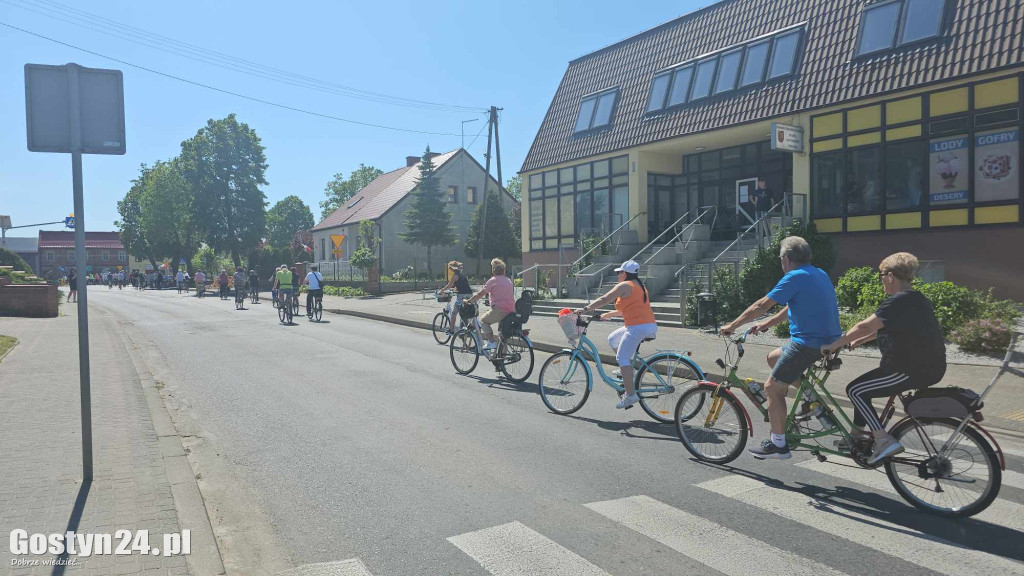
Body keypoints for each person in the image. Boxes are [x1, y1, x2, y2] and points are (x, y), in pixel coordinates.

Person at [719, 236, 841, 460]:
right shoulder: (818, 273)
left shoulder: (793, 277)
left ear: (786, 259)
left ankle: (778, 444)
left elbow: (761, 305)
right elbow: (792, 306)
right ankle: (811, 401)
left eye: (780, 259)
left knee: (772, 388)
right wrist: (767, 324)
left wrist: (732, 325)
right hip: (829, 340)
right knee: (774, 357)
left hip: (808, 343)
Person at [822, 253, 946, 464]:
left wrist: (834, 345)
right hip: (929, 366)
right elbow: (884, 327)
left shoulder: (898, 301)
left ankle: (883, 440)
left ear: (890, 276)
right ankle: (856, 438)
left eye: (881, 276)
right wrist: (859, 341)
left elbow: (865, 325)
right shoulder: (916, 299)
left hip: (909, 369)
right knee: (861, 388)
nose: (880, 281)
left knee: (855, 390)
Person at [578, 260, 657, 409]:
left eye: (619, 272)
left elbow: (604, 299)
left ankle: (630, 395)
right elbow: (628, 309)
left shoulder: (624, 286)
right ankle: (628, 370)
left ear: (625, 273)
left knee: (622, 357)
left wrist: (586, 309)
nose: (617, 275)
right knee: (613, 339)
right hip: (646, 325)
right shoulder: (639, 286)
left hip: (637, 327)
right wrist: (608, 314)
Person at [467, 259, 515, 352]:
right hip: (511, 310)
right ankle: (502, 358)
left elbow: (480, 294)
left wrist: (469, 300)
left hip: (500, 310)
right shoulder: (508, 280)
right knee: (502, 334)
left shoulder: (492, 281)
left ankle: (491, 342)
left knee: (483, 321)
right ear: (504, 271)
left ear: (493, 271)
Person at [438, 261, 473, 333]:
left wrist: (441, 291)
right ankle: (467, 327)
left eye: (450, 268)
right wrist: (456, 289)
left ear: (452, 268)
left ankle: (451, 330)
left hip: (462, 296)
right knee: (465, 311)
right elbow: (463, 285)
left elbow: (449, 286)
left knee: (454, 313)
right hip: (470, 294)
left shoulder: (454, 276)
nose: (449, 269)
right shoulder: (462, 275)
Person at [751, 178, 774, 245]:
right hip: (759, 209)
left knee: (768, 221)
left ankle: (771, 234)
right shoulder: (757, 191)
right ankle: (762, 235)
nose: (760, 184)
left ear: (764, 182)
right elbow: (751, 197)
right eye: (759, 183)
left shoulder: (769, 190)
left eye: (761, 182)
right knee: (761, 222)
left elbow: (772, 199)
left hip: (767, 208)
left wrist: (772, 207)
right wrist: (755, 203)